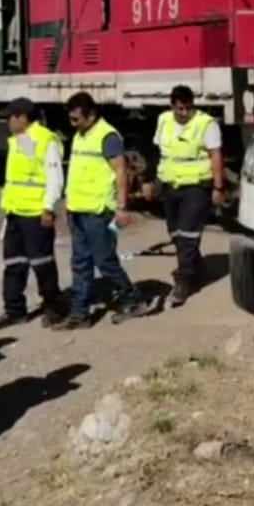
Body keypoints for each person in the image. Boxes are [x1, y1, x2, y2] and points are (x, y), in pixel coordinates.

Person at [54, 91, 145, 329]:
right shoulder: (80, 135)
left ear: (91, 114)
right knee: (80, 263)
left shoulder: (108, 136)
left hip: (98, 211)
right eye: (71, 119)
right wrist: (68, 203)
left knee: (105, 261)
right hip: (78, 210)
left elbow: (120, 173)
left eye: (76, 119)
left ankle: (132, 299)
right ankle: (79, 314)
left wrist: (122, 208)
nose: (72, 124)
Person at [0, 98, 68, 329]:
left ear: (22, 117)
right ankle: (14, 310)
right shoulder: (21, 140)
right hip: (15, 212)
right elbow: (23, 177)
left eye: (10, 117)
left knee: (42, 263)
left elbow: (54, 178)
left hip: (36, 213)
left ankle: (54, 306)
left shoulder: (44, 139)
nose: (7, 122)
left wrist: (48, 208)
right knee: (14, 263)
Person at [152, 85, 226, 306]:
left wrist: (218, 187)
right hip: (170, 184)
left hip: (196, 186)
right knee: (175, 233)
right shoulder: (164, 120)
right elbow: (160, 152)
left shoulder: (206, 124)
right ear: (172, 105)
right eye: (180, 108)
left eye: (188, 108)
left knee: (187, 235)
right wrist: (153, 180)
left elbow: (215, 155)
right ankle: (197, 268)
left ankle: (183, 282)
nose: (184, 112)